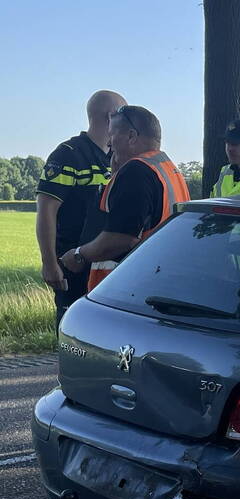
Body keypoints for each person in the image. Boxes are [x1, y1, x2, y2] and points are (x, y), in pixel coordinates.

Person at [59, 105, 189, 291]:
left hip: (126, 286)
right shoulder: (168, 168)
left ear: (131, 136)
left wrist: (79, 255)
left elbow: (121, 238)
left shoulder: (136, 172)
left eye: (112, 135)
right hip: (158, 279)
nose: (109, 144)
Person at [36, 90, 126, 327]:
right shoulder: (69, 154)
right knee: (73, 332)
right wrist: (49, 263)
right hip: (73, 263)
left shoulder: (116, 157)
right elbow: (46, 210)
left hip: (106, 265)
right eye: (123, 115)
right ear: (111, 116)